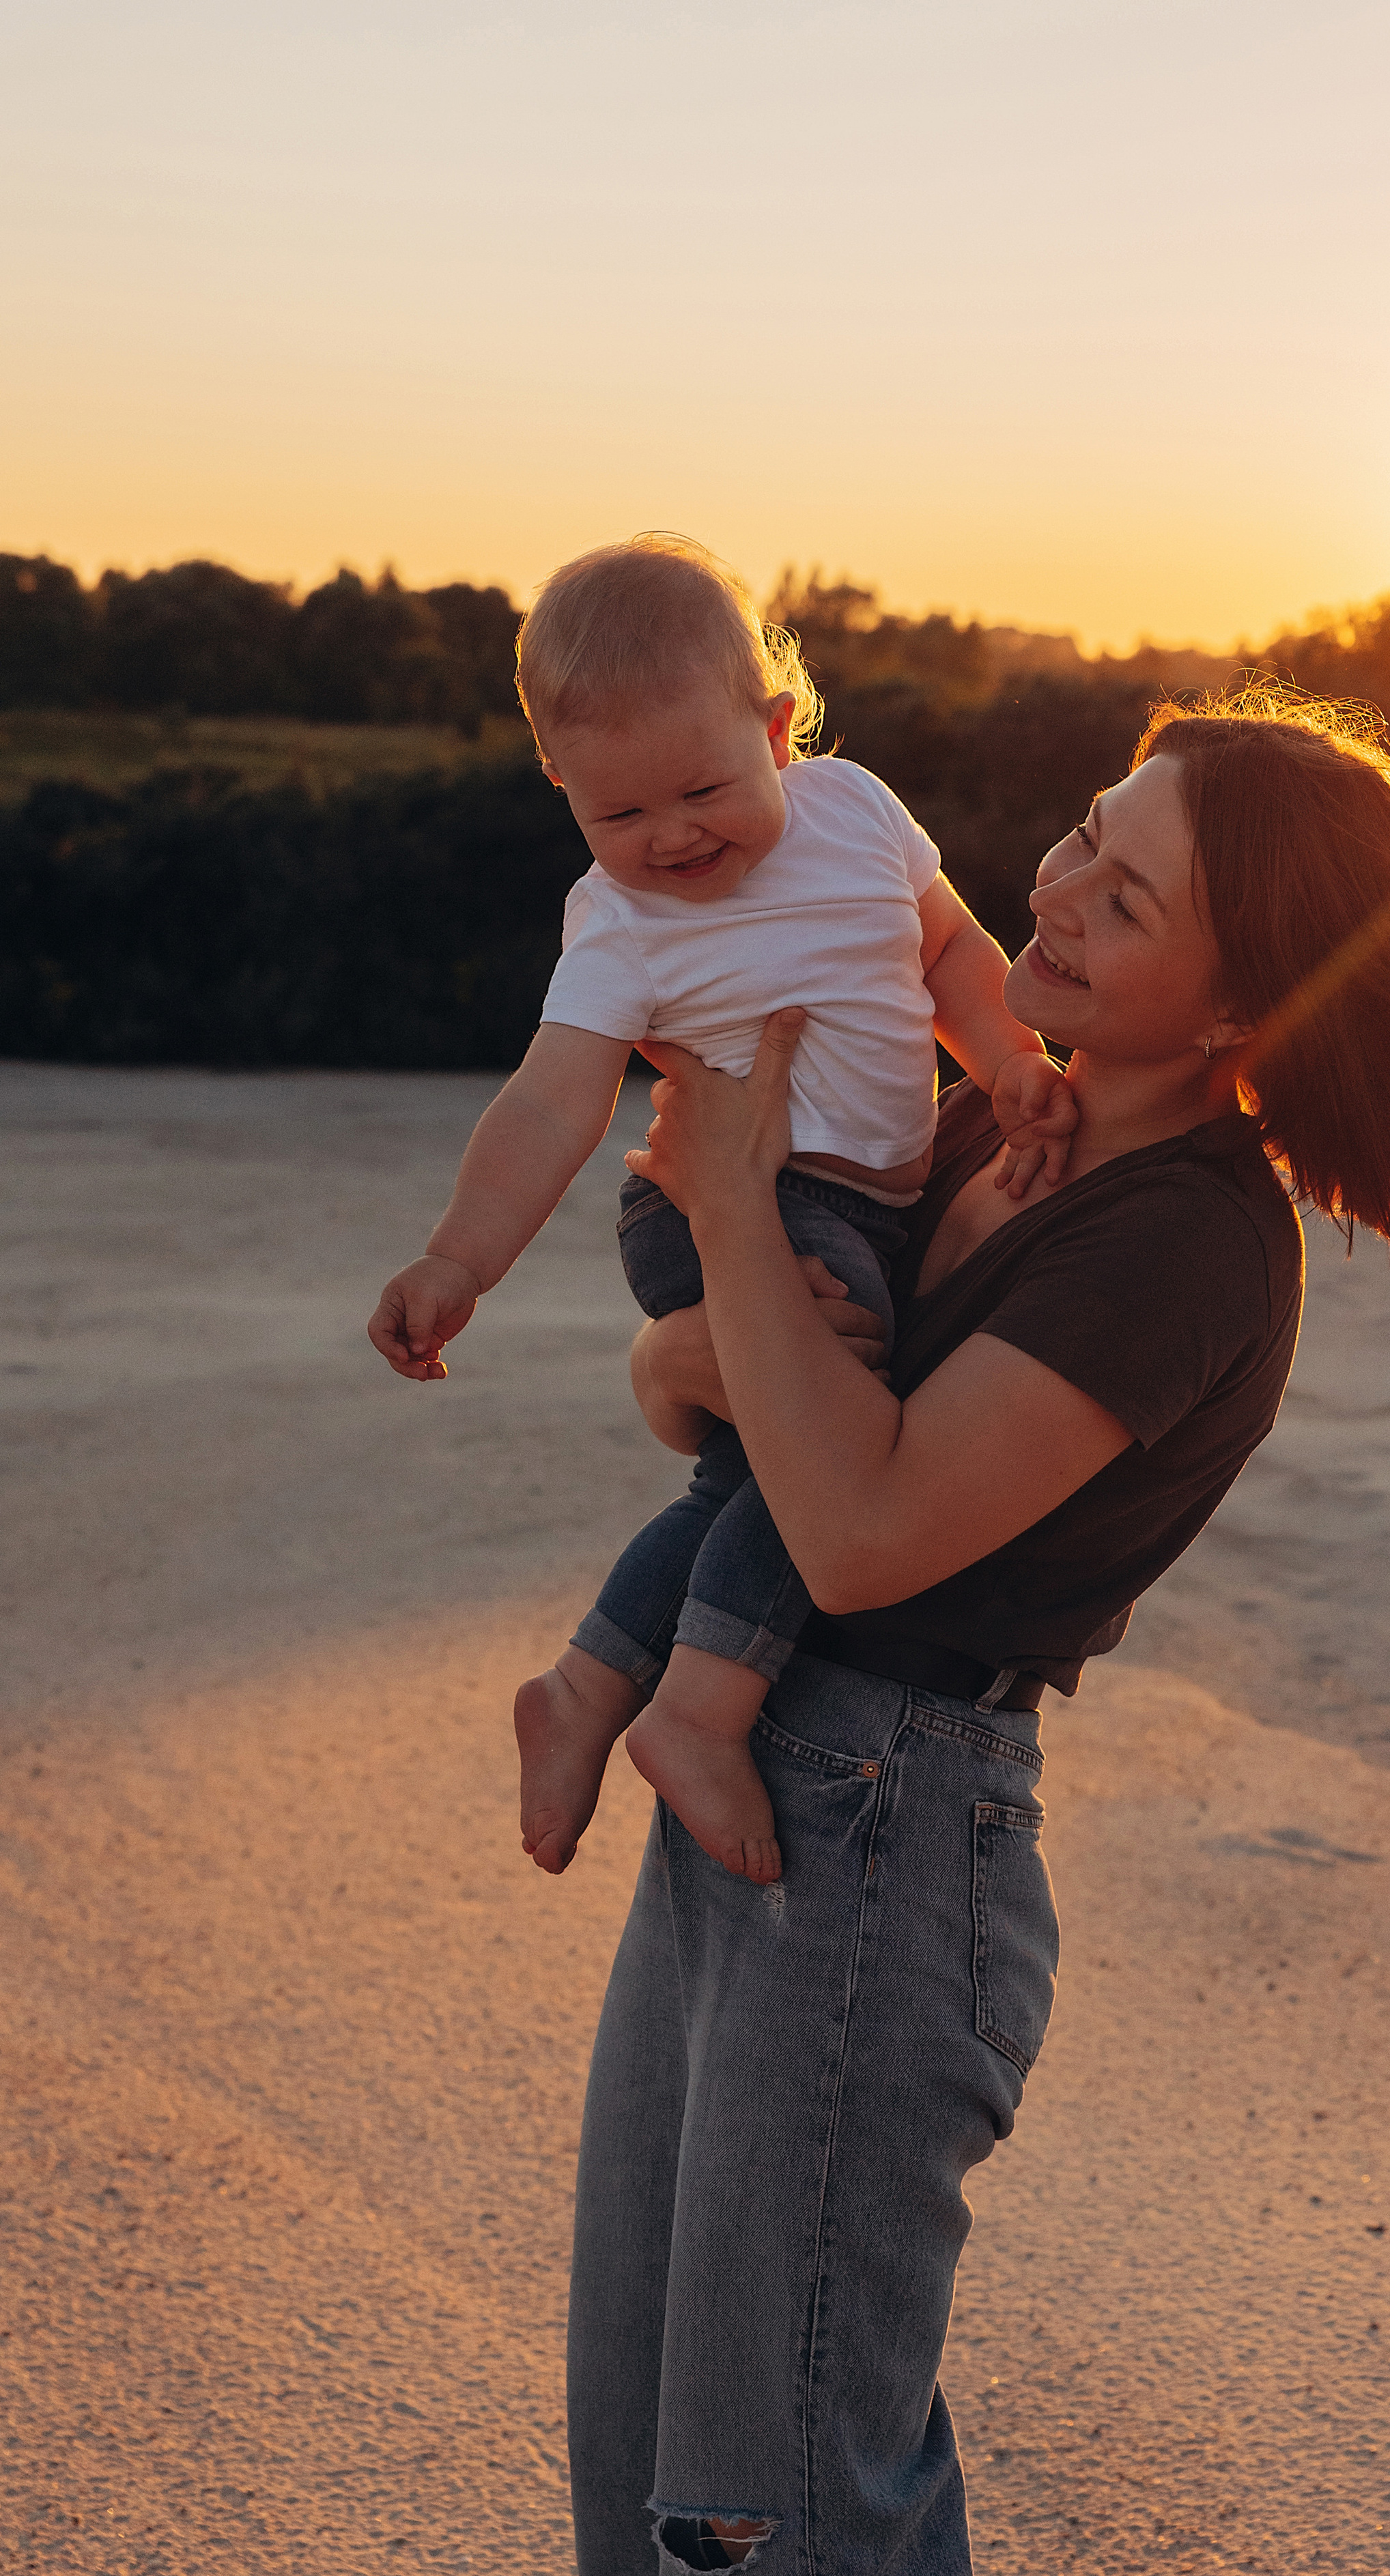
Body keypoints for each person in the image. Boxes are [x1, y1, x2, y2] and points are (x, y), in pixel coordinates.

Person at [565, 688, 1390, 2576]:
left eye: (1124, 898)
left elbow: (857, 1528)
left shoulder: (1189, 1243)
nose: (1050, 891)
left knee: (770, 2501)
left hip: (886, 1835)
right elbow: (694, 1408)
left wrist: (722, 1207)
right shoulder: (983, 1117)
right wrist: (689, 1338)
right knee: (645, 2446)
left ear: (1238, 1009)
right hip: (740, 1766)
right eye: (1081, 835)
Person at [366, 535, 1073, 1884]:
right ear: (560, 785)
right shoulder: (617, 925)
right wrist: (459, 1258)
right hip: (722, 1204)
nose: (672, 837)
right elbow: (552, 1103)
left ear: (777, 729)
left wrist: (1010, 1064)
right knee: (840, 1429)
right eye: (619, 815)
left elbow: (948, 951)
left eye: (702, 789)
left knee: (753, 1470)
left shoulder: (856, 811)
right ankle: (698, 1708)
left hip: (866, 1205)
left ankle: (584, 1686)